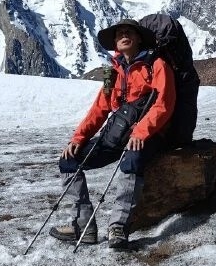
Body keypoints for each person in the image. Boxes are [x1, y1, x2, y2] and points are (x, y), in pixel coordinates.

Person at [50, 18, 176, 250]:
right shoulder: (113, 74)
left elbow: (164, 103)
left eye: (129, 32)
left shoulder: (155, 65)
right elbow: (99, 109)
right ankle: (83, 226)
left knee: (132, 159)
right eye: (119, 34)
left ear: (139, 38)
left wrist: (141, 132)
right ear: (115, 44)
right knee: (68, 160)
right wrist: (78, 138)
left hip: (147, 135)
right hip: (116, 135)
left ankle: (118, 227)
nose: (124, 35)